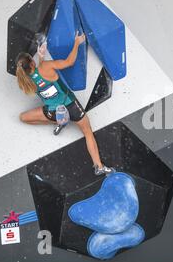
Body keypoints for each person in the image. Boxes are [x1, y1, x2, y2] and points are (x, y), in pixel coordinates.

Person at [15, 32, 114, 176]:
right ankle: (98, 166)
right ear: (32, 62)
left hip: (53, 112)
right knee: (87, 132)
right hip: (71, 106)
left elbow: (38, 75)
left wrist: (41, 57)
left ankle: (60, 121)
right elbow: (69, 62)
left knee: (23, 118)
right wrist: (76, 43)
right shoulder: (46, 67)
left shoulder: (25, 81)